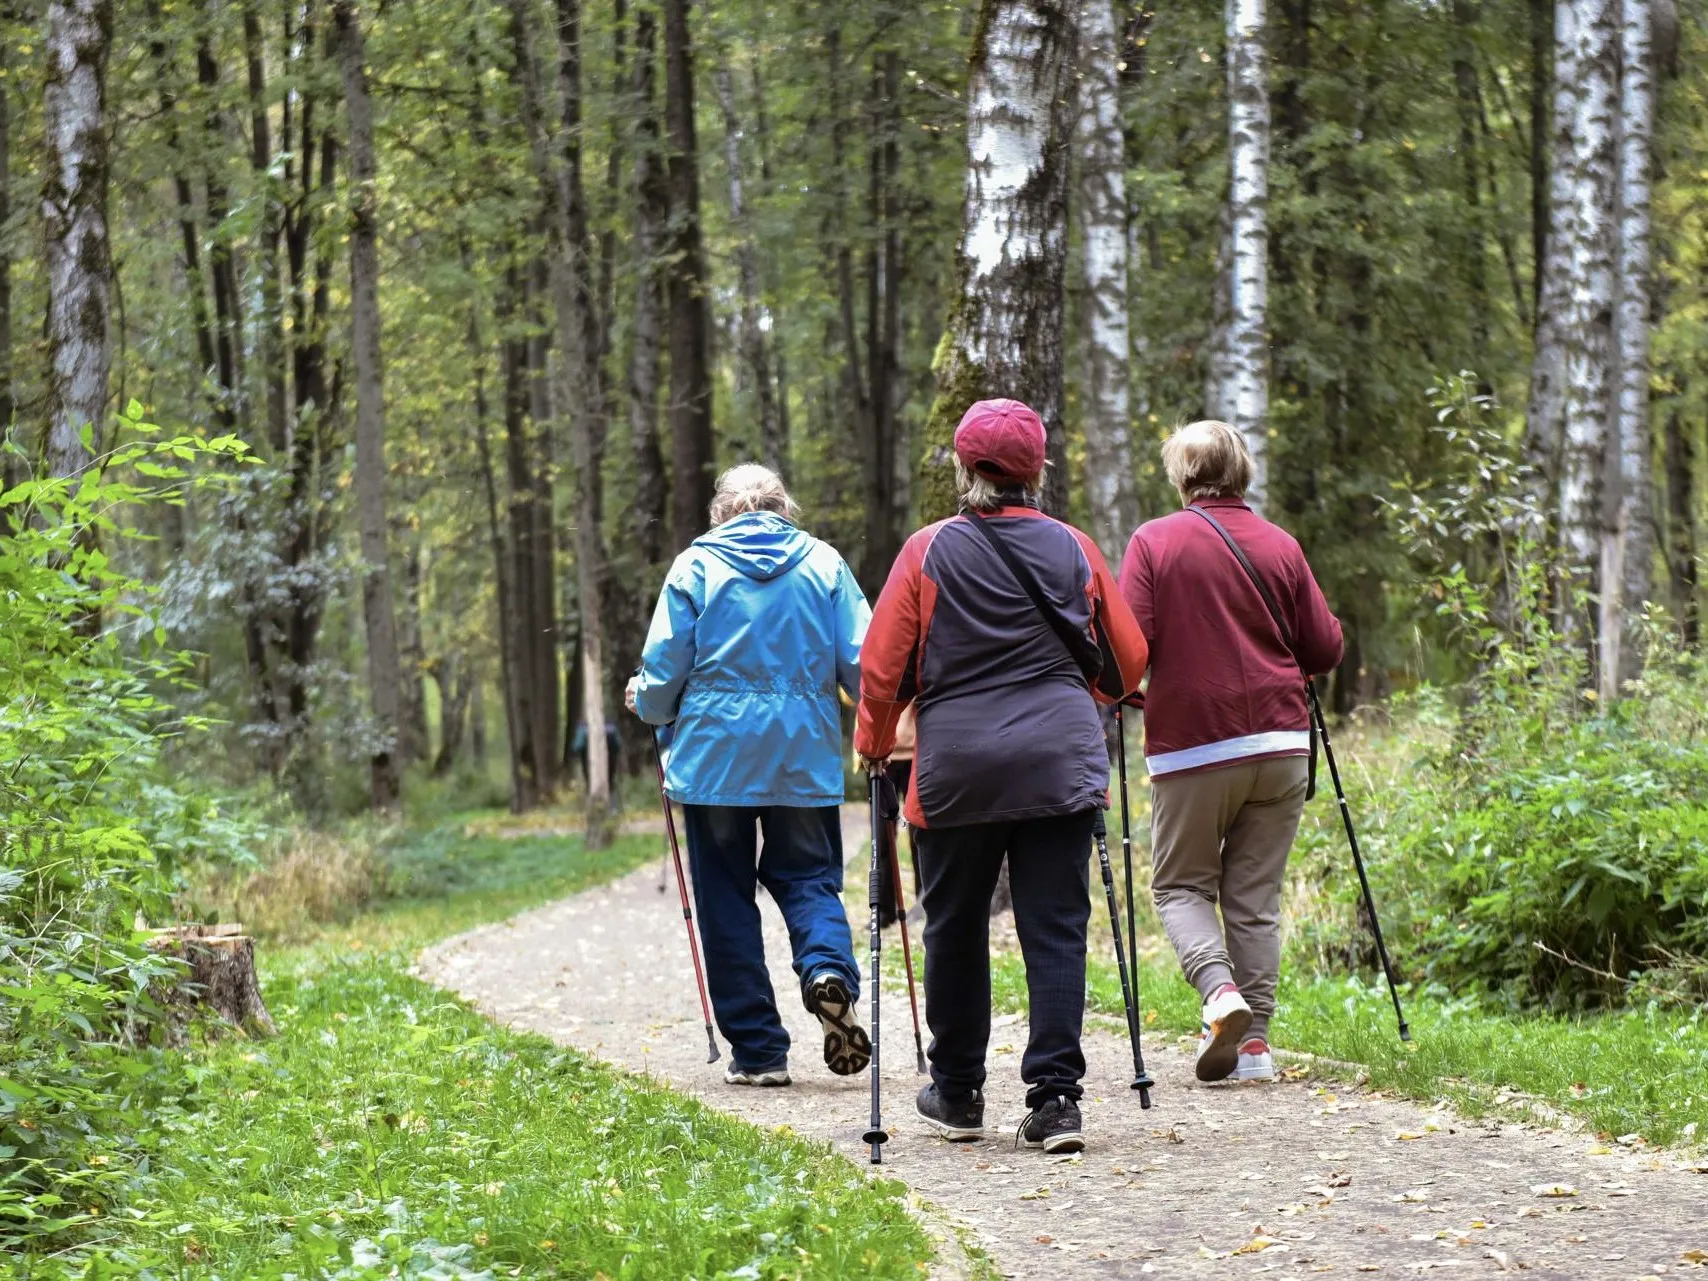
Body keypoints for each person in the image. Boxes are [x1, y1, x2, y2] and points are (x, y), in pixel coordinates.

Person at [855, 399, 1148, 1154]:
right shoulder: (1075, 548)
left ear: (963, 467)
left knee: (953, 924)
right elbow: (1129, 659)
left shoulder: (926, 550)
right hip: (1060, 759)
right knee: (1055, 926)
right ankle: (1055, 1100)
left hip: (957, 768)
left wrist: (874, 743)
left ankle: (957, 1091)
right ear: (1036, 469)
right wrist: (1092, 696)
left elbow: (882, 664)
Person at [627, 464, 872, 1088]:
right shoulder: (824, 565)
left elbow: (665, 670)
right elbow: (862, 667)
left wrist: (645, 702)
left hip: (714, 765)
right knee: (810, 877)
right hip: (801, 759)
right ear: (784, 508)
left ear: (719, 513)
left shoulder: (694, 568)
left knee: (725, 898)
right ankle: (826, 970)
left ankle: (760, 1052)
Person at [1117, 421, 1343, 1084]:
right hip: (1280, 742)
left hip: (1194, 744)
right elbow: (1324, 649)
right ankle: (1256, 1049)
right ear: (1241, 471)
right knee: (1253, 897)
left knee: (1181, 883)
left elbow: (1130, 649)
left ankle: (1220, 993)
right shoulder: (1281, 545)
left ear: (1184, 475)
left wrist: (1135, 695)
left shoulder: (1155, 542)